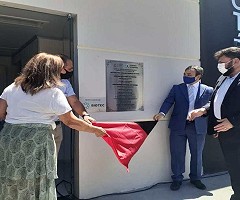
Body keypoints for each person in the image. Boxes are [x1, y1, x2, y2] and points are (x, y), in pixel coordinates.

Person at [0, 52, 106, 200]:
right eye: (60, 69)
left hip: (10, 137)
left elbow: (1, 114)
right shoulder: (53, 93)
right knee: (38, 178)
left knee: (12, 176)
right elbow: (70, 121)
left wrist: (20, 122)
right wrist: (95, 130)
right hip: (38, 140)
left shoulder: (11, 87)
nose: (63, 72)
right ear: (50, 70)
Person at [188, 47, 240, 200]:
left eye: (222, 62)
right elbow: (216, 102)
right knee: (234, 167)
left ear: (236, 61)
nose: (220, 65)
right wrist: (203, 110)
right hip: (226, 133)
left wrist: (233, 122)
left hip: (236, 130)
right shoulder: (223, 78)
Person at [153, 65, 213, 191]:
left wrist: (203, 113)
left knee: (197, 154)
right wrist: (162, 113)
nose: (186, 76)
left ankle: (196, 178)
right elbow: (168, 101)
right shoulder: (177, 88)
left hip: (197, 127)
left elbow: (211, 105)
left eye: (189, 75)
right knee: (177, 153)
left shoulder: (208, 90)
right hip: (178, 126)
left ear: (198, 76)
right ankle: (177, 179)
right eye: (185, 74)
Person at [53, 54, 95, 154]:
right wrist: (95, 130)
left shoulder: (65, 83)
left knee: (53, 160)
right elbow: (69, 120)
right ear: (60, 67)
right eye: (70, 68)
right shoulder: (43, 84)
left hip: (57, 126)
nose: (71, 71)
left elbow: (74, 102)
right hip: (43, 127)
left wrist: (85, 115)